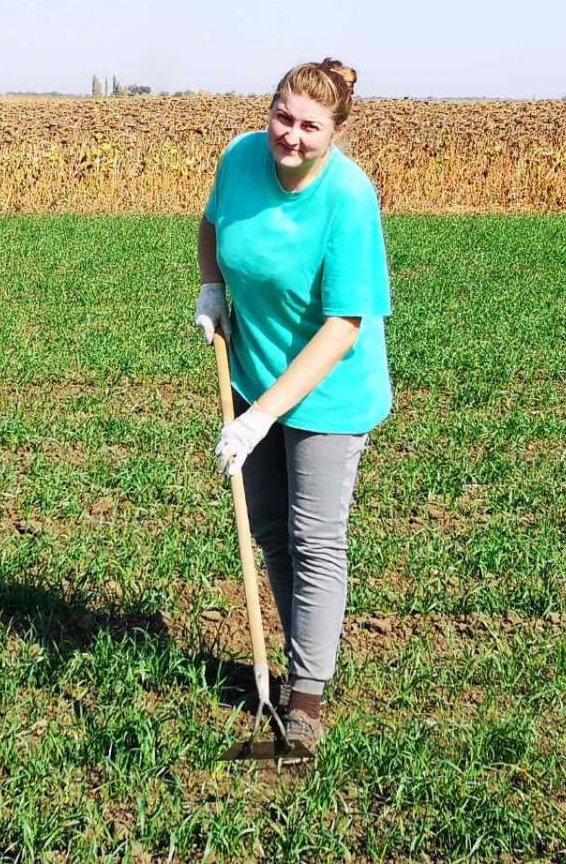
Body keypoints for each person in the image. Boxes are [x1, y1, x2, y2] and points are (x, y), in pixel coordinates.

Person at [194, 58, 393, 756]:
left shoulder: (348, 196)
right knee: (271, 530)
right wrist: (212, 288)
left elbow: (344, 326)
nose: (292, 135)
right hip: (253, 370)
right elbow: (212, 225)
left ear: (334, 132)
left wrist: (261, 417)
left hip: (329, 391)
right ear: (268, 109)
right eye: (283, 116)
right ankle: (294, 651)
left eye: (311, 125)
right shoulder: (241, 158)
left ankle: (304, 700)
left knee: (315, 538)